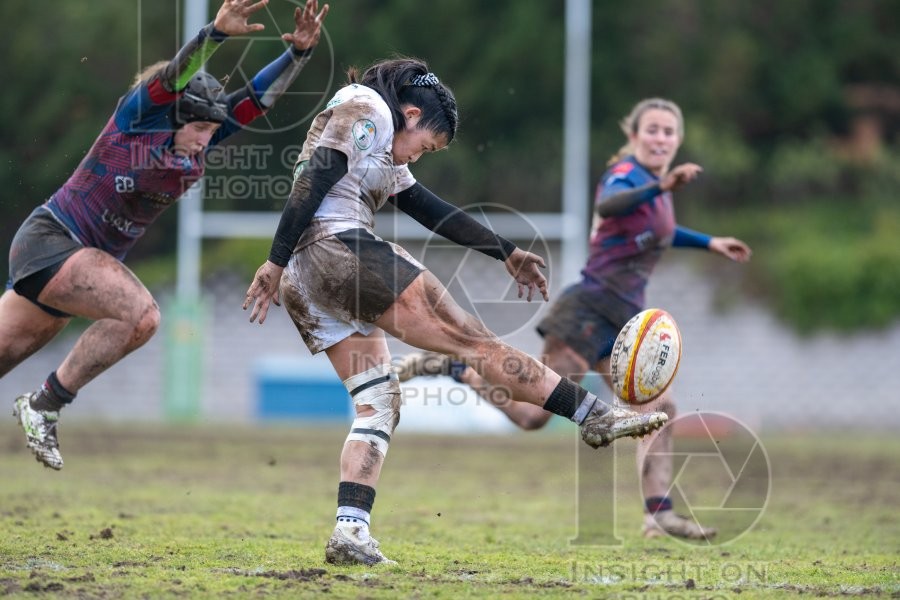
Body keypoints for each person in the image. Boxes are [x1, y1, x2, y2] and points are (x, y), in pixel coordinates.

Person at [242, 61, 671, 565]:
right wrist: (271, 261)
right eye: (424, 146)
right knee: (474, 340)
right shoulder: (370, 108)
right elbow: (314, 181)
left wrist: (504, 250)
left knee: (378, 400)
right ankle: (593, 415)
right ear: (411, 114)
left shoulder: (377, 138)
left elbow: (429, 208)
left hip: (305, 278)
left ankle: (350, 530)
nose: (416, 157)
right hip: (339, 252)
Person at [397, 97, 752, 540]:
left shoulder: (657, 190)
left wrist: (709, 242)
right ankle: (457, 368)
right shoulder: (626, 176)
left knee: (659, 408)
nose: (660, 138)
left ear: (678, 140)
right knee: (533, 417)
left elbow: (660, 232)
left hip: (626, 320)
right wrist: (661, 187)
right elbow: (612, 206)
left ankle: (659, 514)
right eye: (652, 129)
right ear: (634, 135)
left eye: (668, 131)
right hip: (587, 311)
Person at [3, 0, 329, 471]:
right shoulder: (138, 118)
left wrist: (298, 53)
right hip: (52, 241)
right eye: (198, 128)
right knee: (142, 317)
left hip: (73, 266)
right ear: (175, 115)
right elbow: (176, 75)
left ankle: (43, 403)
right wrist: (216, 33)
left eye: (211, 130)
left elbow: (258, 99)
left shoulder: (201, 141)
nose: (205, 139)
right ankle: (45, 404)